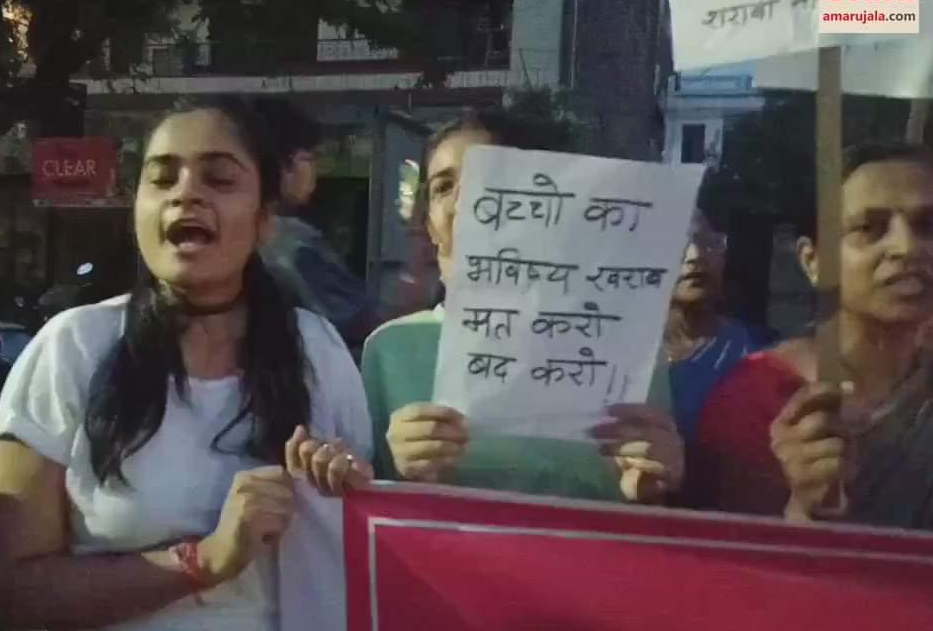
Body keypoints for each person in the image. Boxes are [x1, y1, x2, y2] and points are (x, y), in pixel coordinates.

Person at [0, 97, 372, 631]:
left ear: (263, 220)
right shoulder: (73, 347)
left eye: (220, 179)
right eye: (162, 179)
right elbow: (8, 592)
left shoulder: (317, 349)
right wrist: (204, 560)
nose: (186, 193)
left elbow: (356, 559)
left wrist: (349, 489)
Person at [363, 107, 684, 503]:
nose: (468, 202)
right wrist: (392, 473)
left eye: (491, 178)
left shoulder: (632, 353)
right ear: (429, 222)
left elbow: (655, 517)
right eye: (444, 187)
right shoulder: (392, 350)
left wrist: (651, 485)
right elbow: (362, 514)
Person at [692, 144, 933, 529]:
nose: (907, 248)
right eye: (869, 229)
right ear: (812, 261)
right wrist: (805, 507)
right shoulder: (756, 398)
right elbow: (733, 568)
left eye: (927, 227)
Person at [254, 97, 424, 347]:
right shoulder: (289, 243)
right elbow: (361, 324)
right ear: (284, 164)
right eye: (310, 158)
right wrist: (413, 286)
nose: (316, 171)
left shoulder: (247, 236)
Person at [665, 210, 777, 445]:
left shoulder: (762, 352)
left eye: (708, 242)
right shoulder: (625, 357)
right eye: (675, 242)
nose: (695, 255)